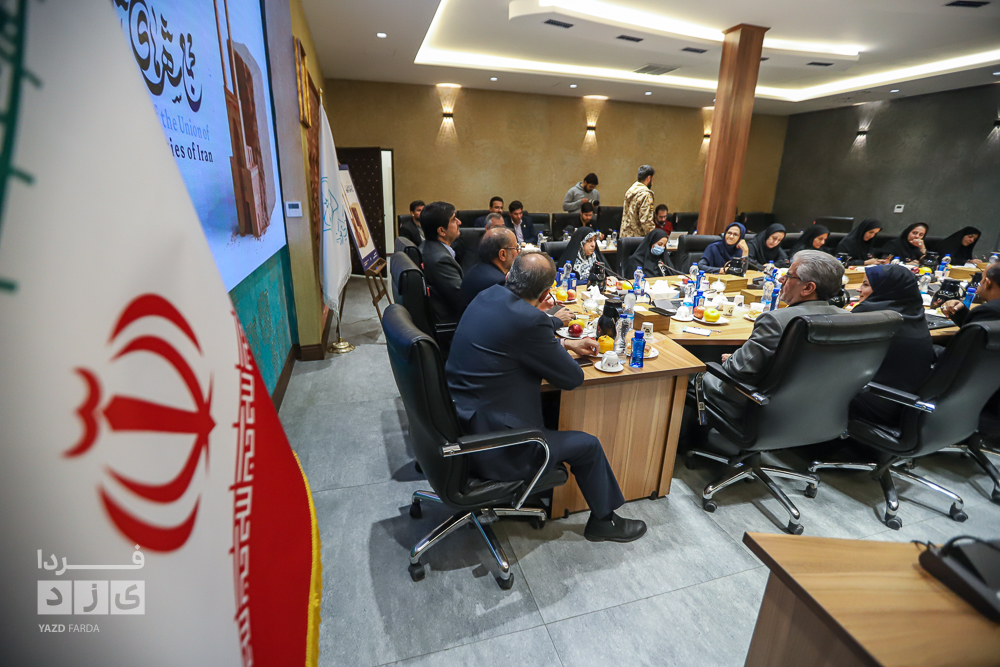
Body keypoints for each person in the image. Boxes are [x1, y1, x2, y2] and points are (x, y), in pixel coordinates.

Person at [445, 252, 646, 542]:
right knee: (589, 445)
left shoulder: (487, 295)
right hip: (497, 447)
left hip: (460, 424)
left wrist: (564, 343)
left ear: (508, 276)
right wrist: (556, 342)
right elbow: (572, 379)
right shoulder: (530, 321)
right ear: (545, 295)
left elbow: (512, 338)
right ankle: (605, 522)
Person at [701, 250, 846, 422]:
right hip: (818, 413)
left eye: (789, 275)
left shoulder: (776, 321)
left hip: (759, 408)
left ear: (808, 288)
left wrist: (733, 358)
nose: (781, 279)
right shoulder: (850, 320)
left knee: (696, 373)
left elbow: (738, 369)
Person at [849, 264, 934, 425]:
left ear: (884, 289)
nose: (858, 289)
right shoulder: (915, 310)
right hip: (910, 404)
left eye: (866, 284)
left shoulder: (869, 313)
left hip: (880, 401)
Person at [420, 201, 464, 324]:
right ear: (441, 231)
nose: (459, 222)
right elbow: (462, 300)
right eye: (454, 219)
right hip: (452, 324)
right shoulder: (440, 260)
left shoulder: (427, 246)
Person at [459, 228, 518, 311]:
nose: (518, 252)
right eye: (516, 248)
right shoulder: (498, 283)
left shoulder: (475, 269)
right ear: (502, 254)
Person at [942, 262, 1000, 326]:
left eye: (982, 278)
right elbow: (974, 327)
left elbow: (976, 330)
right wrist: (960, 312)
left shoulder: (986, 311)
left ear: (987, 283)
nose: (980, 282)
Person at [621, 165, 655, 238]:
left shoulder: (630, 192)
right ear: (649, 178)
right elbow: (646, 220)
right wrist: (654, 236)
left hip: (626, 237)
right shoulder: (645, 195)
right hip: (638, 239)